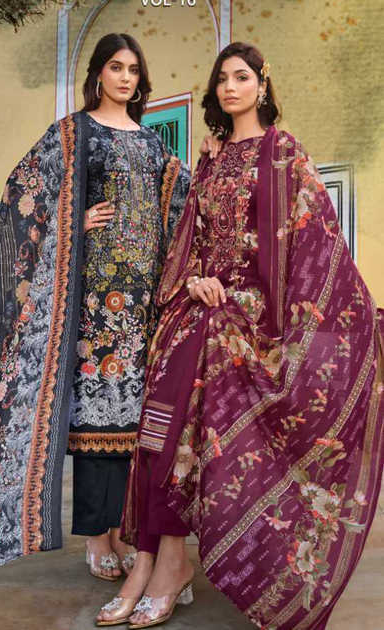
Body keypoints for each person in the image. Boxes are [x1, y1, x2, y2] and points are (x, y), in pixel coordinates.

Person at [97, 42, 384, 629]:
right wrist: (196, 279)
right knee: (162, 406)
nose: (230, 87)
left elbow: (316, 244)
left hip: (254, 315)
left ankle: (166, 565)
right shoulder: (210, 159)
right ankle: (150, 560)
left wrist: (252, 301)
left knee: (189, 389)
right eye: (222, 79)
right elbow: (193, 241)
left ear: (262, 85)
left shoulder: (284, 154)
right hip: (201, 302)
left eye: (242, 77)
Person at [0, 33, 190, 582]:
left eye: (133, 70)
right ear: (97, 74)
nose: (125, 78)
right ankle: (96, 536)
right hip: (91, 300)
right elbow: (24, 192)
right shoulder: (73, 133)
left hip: (141, 303)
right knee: (95, 423)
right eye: (116, 67)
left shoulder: (153, 144)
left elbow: (184, 200)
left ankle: (122, 528)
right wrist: (74, 220)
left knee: (131, 425)